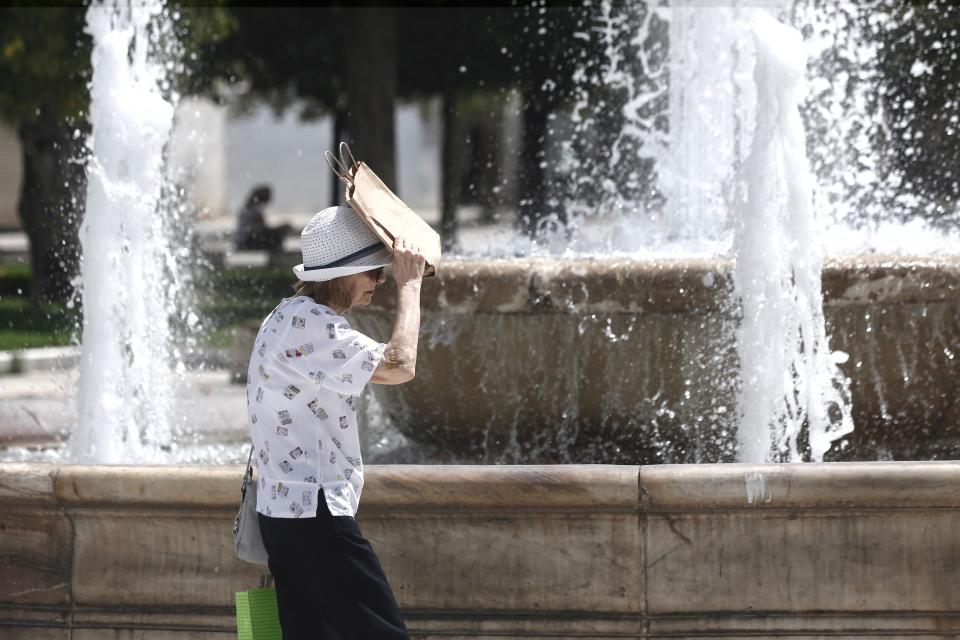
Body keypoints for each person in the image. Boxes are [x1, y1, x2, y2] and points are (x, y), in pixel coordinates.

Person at [246, 204, 425, 640]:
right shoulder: (312, 327)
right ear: (341, 274)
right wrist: (412, 286)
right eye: (373, 273)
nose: (380, 283)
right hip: (315, 514)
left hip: (282, 512)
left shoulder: (285, 315)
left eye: (383, 274)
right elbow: (401, 364)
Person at [234, 185, 293, 252]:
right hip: (246, 243)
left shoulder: (247, 209)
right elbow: (255, 230)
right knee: (277, 237)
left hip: (243, 242)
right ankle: (279, 256)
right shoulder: (254, 212)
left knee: (277, 235)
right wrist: (280, 229)